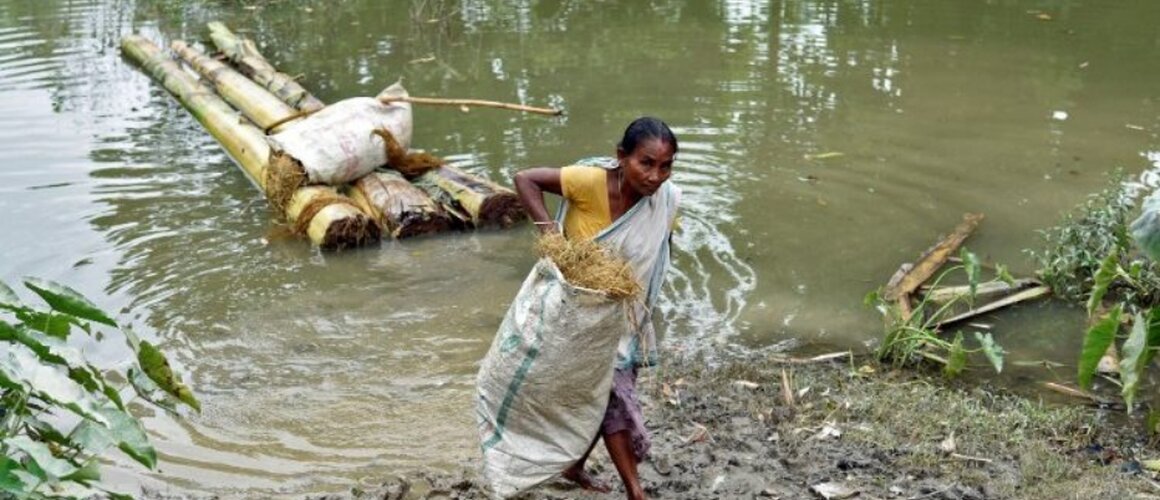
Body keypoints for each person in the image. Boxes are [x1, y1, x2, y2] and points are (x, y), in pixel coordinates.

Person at [511, 116, 680, 500]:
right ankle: (635, 491)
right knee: (611, 397)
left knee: (600, 397)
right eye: (646, 163)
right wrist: (551, 234)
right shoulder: (589, 182)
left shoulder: (665, 201)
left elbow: (656, 256)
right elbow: (525, 179)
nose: (655, 176)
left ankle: (574, 466)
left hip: (623, 317)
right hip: (578, 318)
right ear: (621, 156)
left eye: (665, 166)